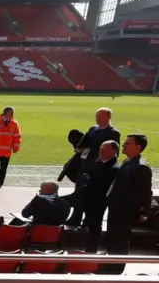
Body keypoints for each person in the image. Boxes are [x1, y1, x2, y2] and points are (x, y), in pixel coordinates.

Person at [104, 134, 152, 274]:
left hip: (125, 212)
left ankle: (116, 270)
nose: (123, 145)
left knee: (119, 241)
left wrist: (144, 212)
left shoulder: (141, 167)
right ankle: (110, 265)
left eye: (127, 143)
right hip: (115, 208)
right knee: (112, 239)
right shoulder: (127, 162)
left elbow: (144, 192)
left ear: (138, 147)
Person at [64, 108, 120, 227]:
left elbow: (115, 152)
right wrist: (78, 148)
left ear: (109, 117)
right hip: (85, 166)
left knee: (91, 196)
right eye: (96, 116)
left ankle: (88, 221)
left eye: (100, 116)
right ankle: (75, 217)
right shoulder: (93, 129)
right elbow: (85, 144)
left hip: (98, 168)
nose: (97, 118)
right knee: (79, 192)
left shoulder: (113, 133)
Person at [79, 140, 120, 253]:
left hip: (97, 201)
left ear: (113, 151)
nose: (100, 151)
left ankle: (92, 250)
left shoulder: (114, 168)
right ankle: (89, 248)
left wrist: (88, 179)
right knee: (90, 225)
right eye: (100, 148)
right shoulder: (98, 161)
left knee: (95, 226)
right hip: (88, 198)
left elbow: (100, 184)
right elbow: (86, 173)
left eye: (103, 149)